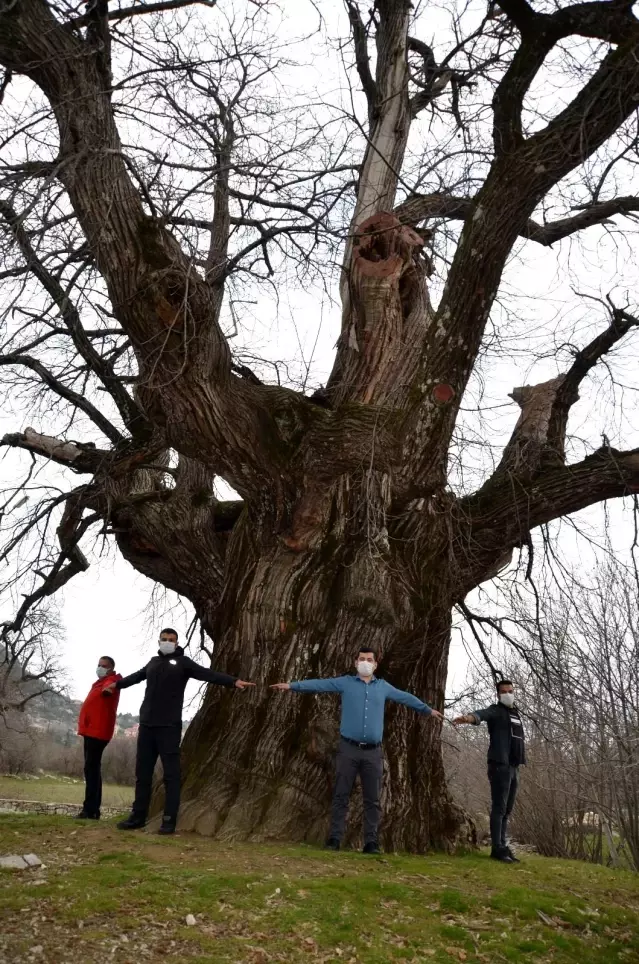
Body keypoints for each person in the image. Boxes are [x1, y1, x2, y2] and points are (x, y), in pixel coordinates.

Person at [271, 647, 443, 854]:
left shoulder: (383, 687)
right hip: (348, 749)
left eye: (369, 660)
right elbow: (320, 684)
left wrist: (427, 710)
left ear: (375, 665)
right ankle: (334, 838)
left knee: (372, 799)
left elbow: (405, 697)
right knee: (341, 794)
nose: (365, 662)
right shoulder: (346, 683)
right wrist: (292, 686)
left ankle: (371, 842)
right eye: (361, 659)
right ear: (355, 663)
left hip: (373, 752)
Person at [103, 627, 255, 834]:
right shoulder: (153, 662)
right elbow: (136, 677)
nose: (167, 642)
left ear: (176, 643)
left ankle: (168, 820)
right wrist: (115, 685)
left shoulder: (183, 663)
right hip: (147, 726)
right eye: (164, 639)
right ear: (159, 641)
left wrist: (233, 681)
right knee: (143, 774)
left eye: (171, 639)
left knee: (171, 775)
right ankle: (137, 817)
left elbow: (207, 674)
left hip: (169, 727)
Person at [453, 679, 525, 863]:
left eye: (510, 690)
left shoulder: (515, 713)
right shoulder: (496, 710)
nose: (508, 694)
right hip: (500, 765)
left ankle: (503, 845)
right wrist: (468, 718)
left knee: (507, 809)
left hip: (514, 766)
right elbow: (481, 714)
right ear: (498, 694)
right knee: (499, 808)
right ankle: (497, 849)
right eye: (504, 692)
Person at [76, 656, 122, 820]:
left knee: (91, 769)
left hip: (99, 732)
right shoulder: (99, 682)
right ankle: (93, 809)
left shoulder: (112, 681)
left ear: (111, 668)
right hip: (91, 731)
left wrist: (110, 687)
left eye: (104, 666)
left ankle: (89, 810)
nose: (100, 668)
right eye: (98, 665)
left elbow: (111, 688)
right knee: (92, 769)